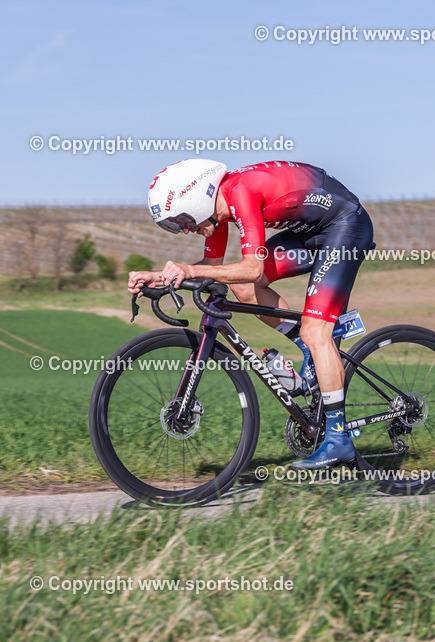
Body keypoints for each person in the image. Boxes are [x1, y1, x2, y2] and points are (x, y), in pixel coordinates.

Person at [129, 159, 374, 468]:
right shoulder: (217, 213)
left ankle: (339, 440)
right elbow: (213, 270)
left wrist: (187, 269)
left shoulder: (240, 191)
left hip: (345, 228)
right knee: (243, 288)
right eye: (173, 226)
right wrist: (160, 277)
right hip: (309, 231)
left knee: (316, 331)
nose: (184, 230)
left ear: (194, 198)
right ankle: (310, 349)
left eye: (179, 220)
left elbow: (253, 267)